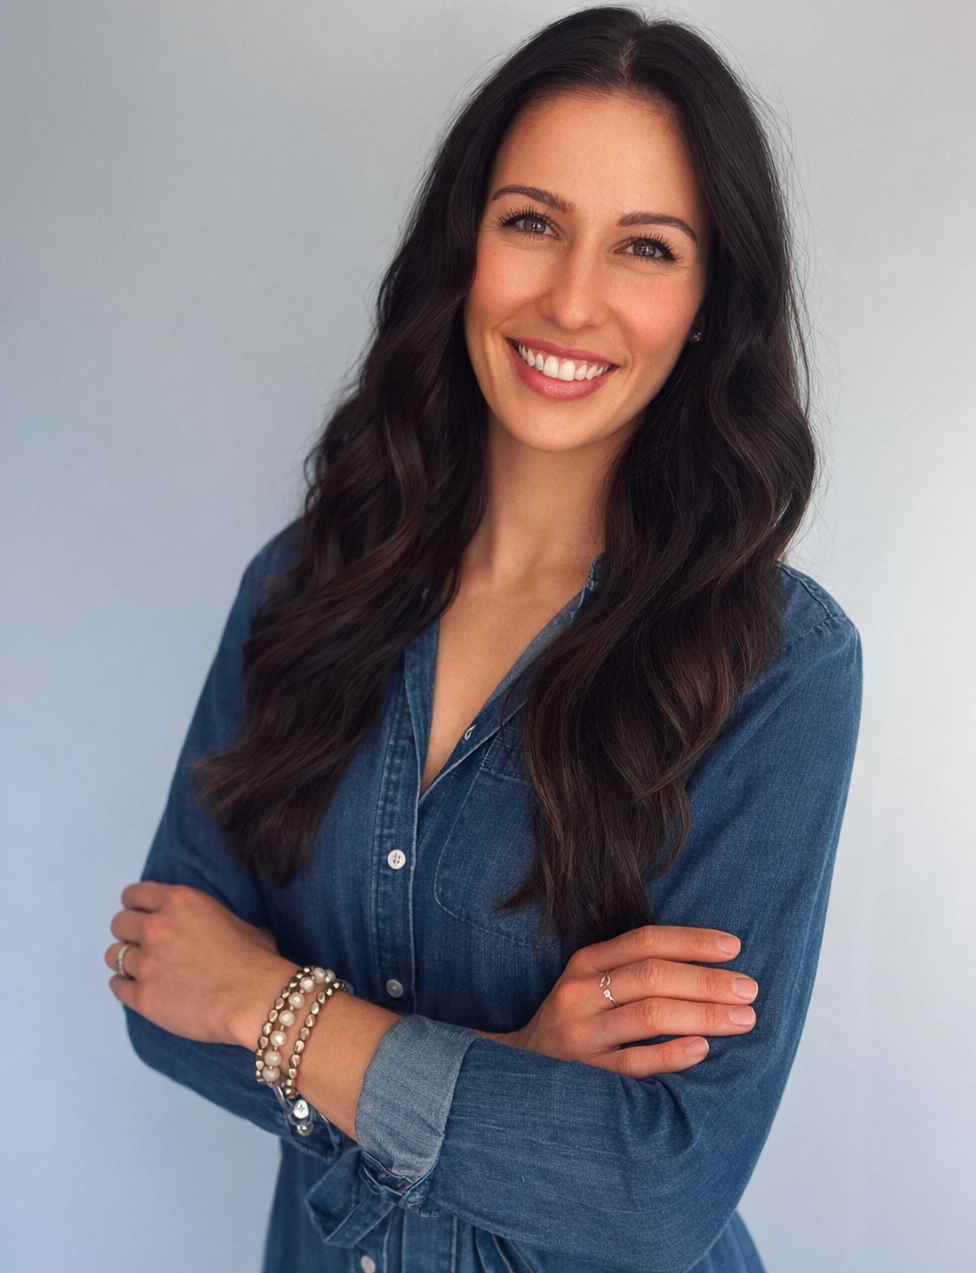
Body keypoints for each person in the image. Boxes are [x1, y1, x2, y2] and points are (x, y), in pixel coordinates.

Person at [105, 8, 861, 1272]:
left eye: (645, 247)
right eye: (532, 222)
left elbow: (650, 1184)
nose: (572, 299)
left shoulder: (777, 665)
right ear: (464, 242)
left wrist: (268, 1003)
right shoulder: (298, 589)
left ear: (706, 301)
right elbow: (161, 988)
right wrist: (508, 1082)